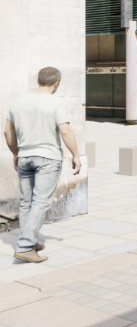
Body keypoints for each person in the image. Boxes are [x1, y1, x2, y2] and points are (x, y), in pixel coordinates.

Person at [4, 67, 82, 263]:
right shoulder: (56, 102)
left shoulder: (18, 102)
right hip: (47, 158)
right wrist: (76, 155)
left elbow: (7, 132)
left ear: (39, 81)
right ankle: (25, 246)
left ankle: (31, 240)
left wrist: (15, 152)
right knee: (40, 202)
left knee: (26, 202)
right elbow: (65, 131)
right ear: (56, 83)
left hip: (25, 156)